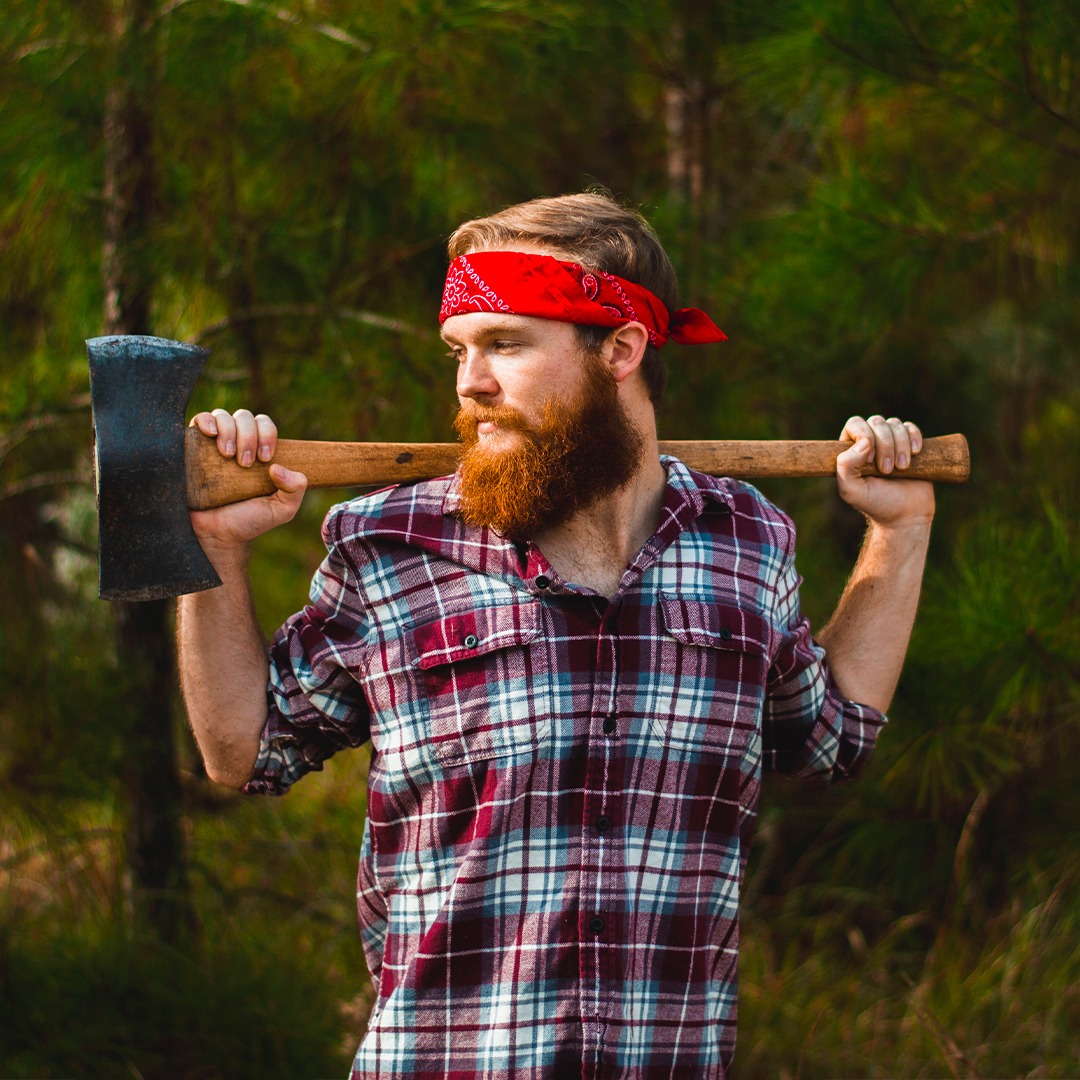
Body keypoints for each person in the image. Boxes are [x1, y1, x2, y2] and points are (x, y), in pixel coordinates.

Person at [178, 192, 934, 1079]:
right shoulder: (387, 548)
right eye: (460, 350)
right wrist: (218, 546)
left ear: (620, 349)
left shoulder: (746, 542)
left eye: (506, 343)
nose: (470, 383)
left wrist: (900, 531)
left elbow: (831, 737)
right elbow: (243, 751)